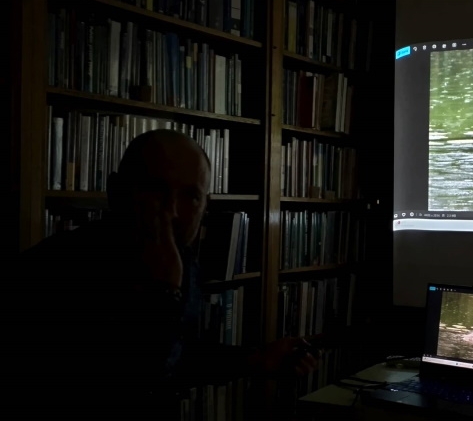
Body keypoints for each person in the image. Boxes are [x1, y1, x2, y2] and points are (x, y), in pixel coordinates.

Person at [10, 129, 317, 418]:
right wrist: (163, 293)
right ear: (116, 192)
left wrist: (258, 360)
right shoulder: (52, 271)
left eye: (190, 196)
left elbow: (178, 357)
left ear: (205, 206)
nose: (172, 210)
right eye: (156, 190)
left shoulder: (181, 261)